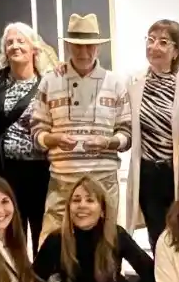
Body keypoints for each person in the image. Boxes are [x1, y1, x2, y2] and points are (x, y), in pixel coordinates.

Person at [30, 13, 132, 241]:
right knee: (51, 241)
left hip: (103, 180)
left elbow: (127, 134)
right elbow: (36, 132)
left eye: (89, 46)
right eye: (77, 46)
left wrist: (108, 142)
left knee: (107, 242)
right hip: (62, 180)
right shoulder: (50, 81)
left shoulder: (115, 83)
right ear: (68, 46)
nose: (84, 53)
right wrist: (54, 139)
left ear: (98, 47)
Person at [0, 22, 54, 255]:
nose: (15, 46)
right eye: (9, 42)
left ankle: (40, 273)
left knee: (42, 230)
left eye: (21, 41)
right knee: (10, 229)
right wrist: (5, 148)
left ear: (34, 49)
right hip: (6, 170)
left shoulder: (48, 82)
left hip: (42, 171)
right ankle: (15, 272)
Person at [125, 19, 179, 250]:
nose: (154, 47)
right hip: (147, 174)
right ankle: (160, 274)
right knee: (157, 237)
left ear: (176, 51)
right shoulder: (135, 82)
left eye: (163, 42)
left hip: (175, 171)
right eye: (151, 40)